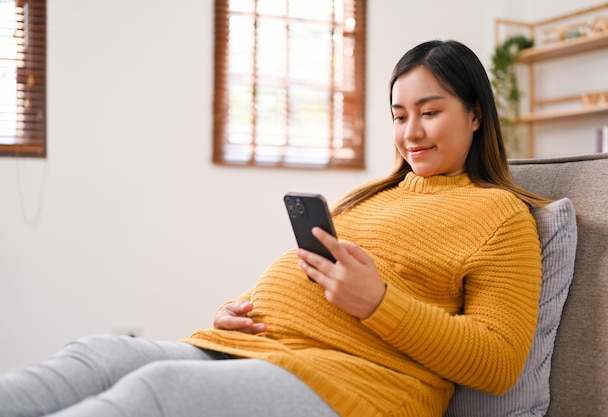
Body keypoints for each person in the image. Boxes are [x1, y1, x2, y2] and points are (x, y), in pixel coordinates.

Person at [0, 39, 551, 417]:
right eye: (398, 115)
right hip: (258, 350)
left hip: (358, 383)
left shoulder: (500, 216)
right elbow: (307, 275)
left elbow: (498, 362)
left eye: (429, 112)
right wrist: (237, 307)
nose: (410, 132)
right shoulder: (371, 196)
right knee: (99, 355)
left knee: (157, 390)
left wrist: (378, 302)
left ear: (476, 114)